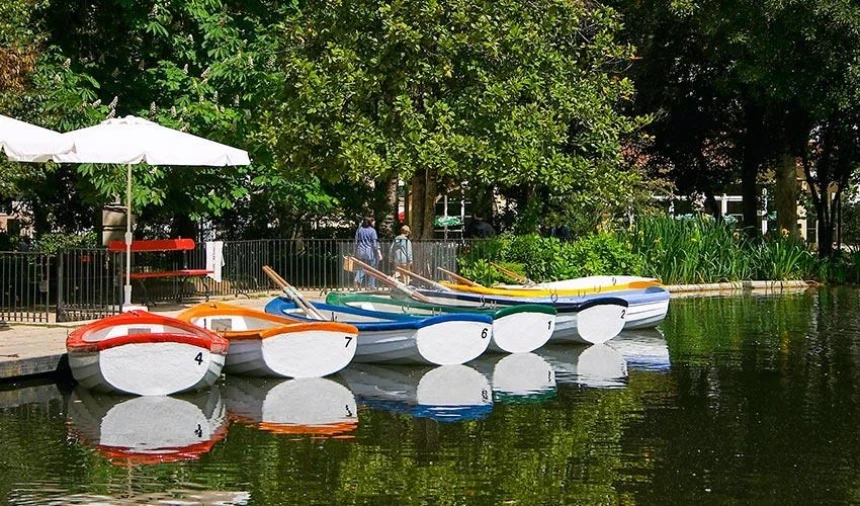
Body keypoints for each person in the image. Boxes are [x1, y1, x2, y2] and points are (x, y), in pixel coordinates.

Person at [354, 215, 382, 289]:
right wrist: (379, 253)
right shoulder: (372, 231)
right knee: (373, 268)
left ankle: (357, 279)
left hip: (360, 252)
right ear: (370, 222)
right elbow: (375, 243)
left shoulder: (359, 230)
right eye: (373, 221)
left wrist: (355, 252)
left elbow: (356, 242)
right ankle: (371, 285)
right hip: (370, 253)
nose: (375, 222)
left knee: (361, 267)